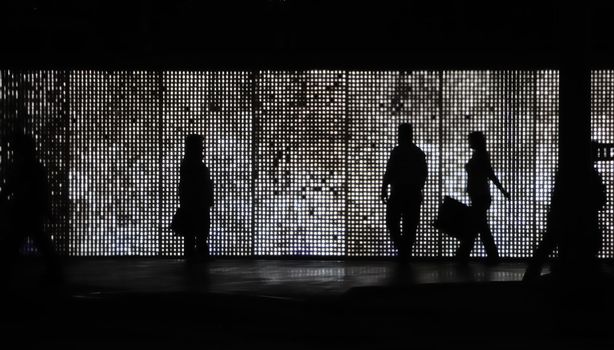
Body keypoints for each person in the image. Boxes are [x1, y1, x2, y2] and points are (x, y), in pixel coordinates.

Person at [523, 142, 606, 281]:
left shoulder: (567, 170)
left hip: (561, 216)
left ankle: (530, 278)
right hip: (572, 218)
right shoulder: (587, 172)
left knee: (547, 245)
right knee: (551, 244)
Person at [0, 133, 61, 283]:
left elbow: (11, 187)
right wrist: (47, 211)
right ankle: (54, 273)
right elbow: (42, 191)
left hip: (23, 211)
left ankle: (5, 273)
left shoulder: (23, 167)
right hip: (30, 211)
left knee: (13, 243)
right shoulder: (35, 168)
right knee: (37, 242)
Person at [456, 131, 510, 265]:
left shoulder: (481, 156)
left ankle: (464, 254)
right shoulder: (479, 155)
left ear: (476, 141)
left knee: (475, 226)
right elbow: (489, 174)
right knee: (479, 227)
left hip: (480, 196)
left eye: (470, 140)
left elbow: (490, 174)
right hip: (479, 196)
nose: (469, 142)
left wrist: (503, 190)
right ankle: (488, 256)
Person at [381, 123, 427, 262]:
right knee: (410, 225)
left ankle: (402, 250)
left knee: (392, 221)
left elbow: (390, 171)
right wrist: (419, 188)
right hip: (412, 193)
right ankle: (405, 251)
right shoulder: (418, 152)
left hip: (399, 192)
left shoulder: (397, 151)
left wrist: (384, 188)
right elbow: (424, 173)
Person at [174, 134, 214, 263]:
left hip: (194, 204)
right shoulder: (192, 165)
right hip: (197, 204)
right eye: (200, 145)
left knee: (192, 235)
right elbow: (195, 185)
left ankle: (194, 263)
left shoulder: (188, 164)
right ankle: (196, 263)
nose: (203, 148)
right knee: (198, 233)